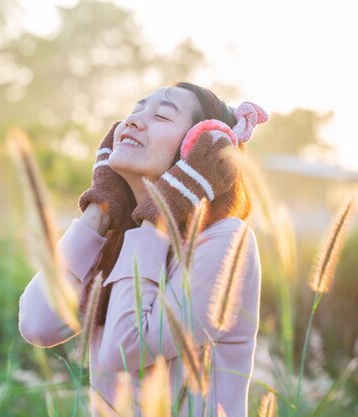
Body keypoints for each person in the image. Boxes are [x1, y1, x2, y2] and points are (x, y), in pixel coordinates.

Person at [18, 81, 267, 417]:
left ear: (198, 149)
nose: (131, 122)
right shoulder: (118, 238)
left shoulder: (226, 241)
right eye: (135, 111)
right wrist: (101, 207)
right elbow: (38, 325)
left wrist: (160, 210)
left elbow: (123, 350)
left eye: (162, 116)